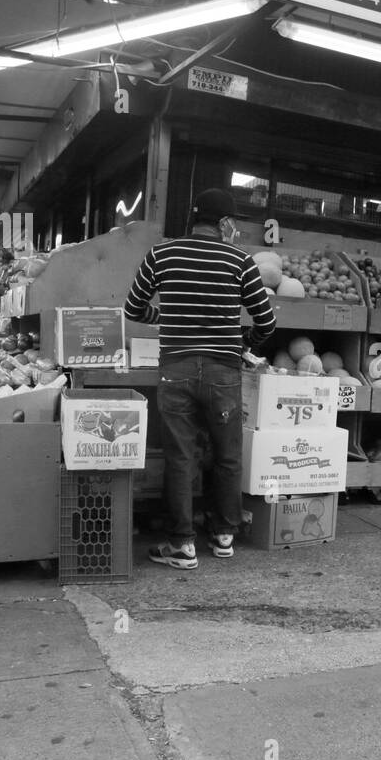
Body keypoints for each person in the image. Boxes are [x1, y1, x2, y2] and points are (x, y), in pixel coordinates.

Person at [124, 188, 277, 568]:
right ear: (225, 223)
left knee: (181, 457)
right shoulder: (240, 261)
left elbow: (133, 308)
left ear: (194, 219)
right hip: (223, 371)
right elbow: (267, 321)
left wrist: (165, 319)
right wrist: (246, 341)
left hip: (175, 369)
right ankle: (224, 536)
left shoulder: (161, 254)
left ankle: (182, 545)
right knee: (227, 456)